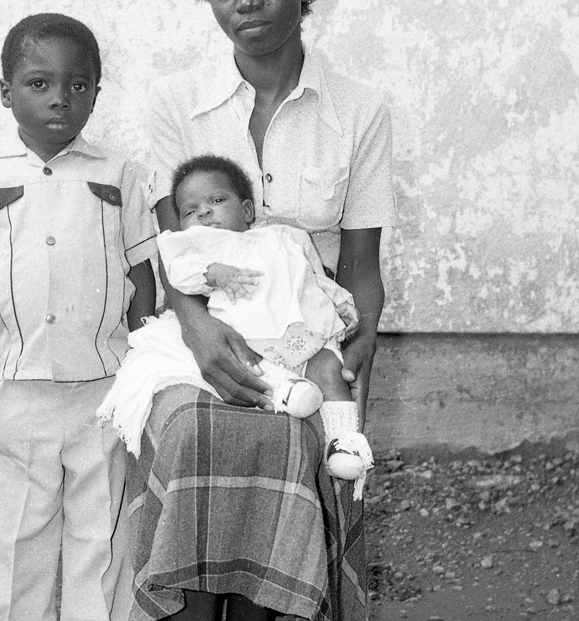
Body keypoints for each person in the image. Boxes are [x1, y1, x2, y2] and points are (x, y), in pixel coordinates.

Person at [118, 0, 395, 621]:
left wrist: (348, 361)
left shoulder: (358, 107)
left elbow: (362, 267)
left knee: (282, 442)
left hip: (304, 342)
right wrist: (200, 336)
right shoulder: (176, 104)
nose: (247, 1)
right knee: (200, 435)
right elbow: (173, 258)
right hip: (196, 338)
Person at [0, 12, 159, 621]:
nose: (59, 97)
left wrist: (141, 368)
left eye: (77, 83)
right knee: (13, 535)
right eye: (39, 83)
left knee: (103, 535)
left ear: (96, 92)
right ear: (7, 92)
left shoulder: (119, 175)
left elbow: (143, 276)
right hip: (18, 387)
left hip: (104, 388)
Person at [97, 153, 374, 483]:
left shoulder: (285, 237)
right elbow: (180, 273)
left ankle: (345, 443)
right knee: (250, 368)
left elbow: (314, 277)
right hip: (251, 340)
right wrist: (213, 272)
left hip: (304, 332)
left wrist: (341, 301)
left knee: (330, 370)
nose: (204, 212)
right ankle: (285, 392)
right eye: (190, 211)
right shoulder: (199, 248)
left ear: (247, 210)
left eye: (216, 200)